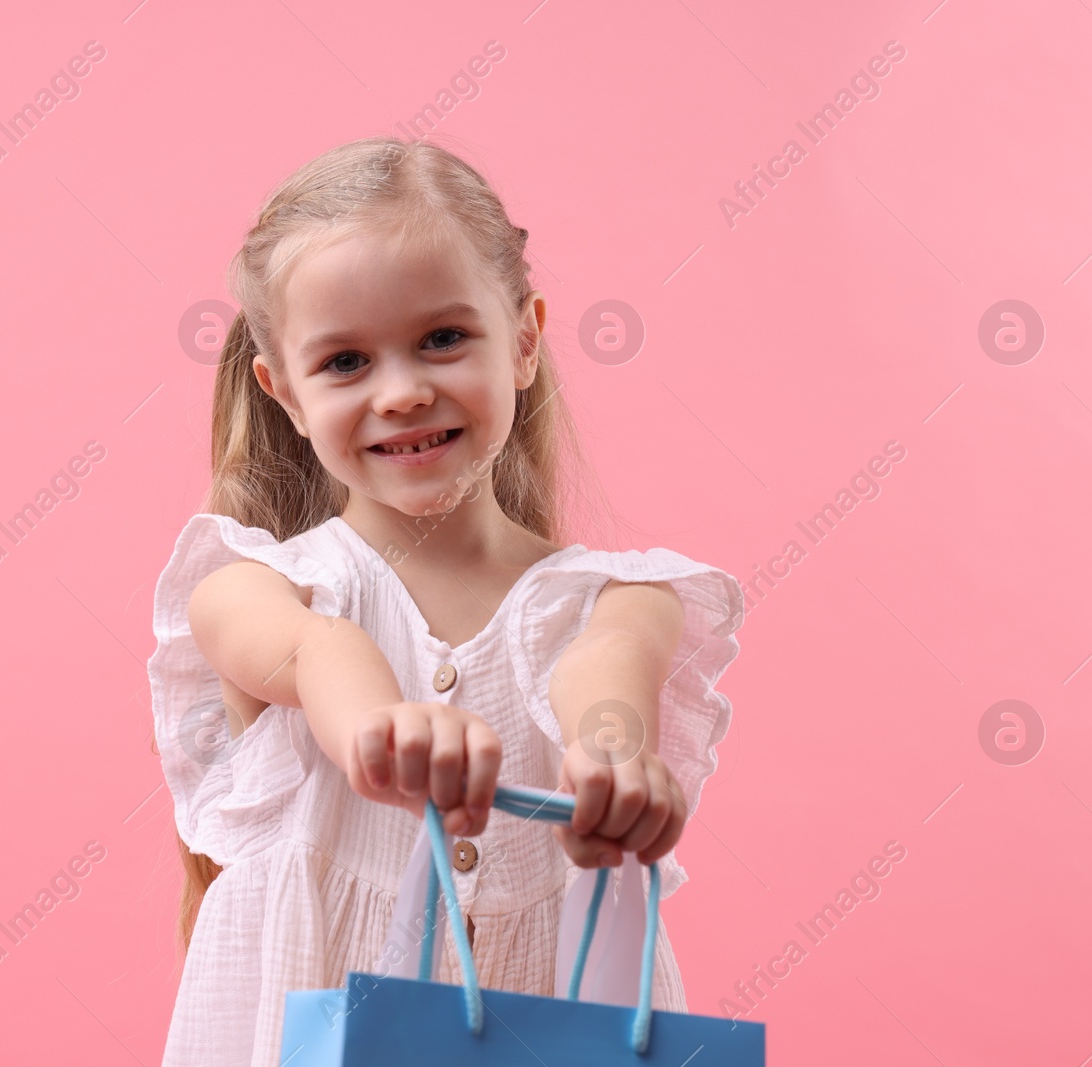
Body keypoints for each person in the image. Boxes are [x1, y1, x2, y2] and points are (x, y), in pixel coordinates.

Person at [147, 135, 745, 1066]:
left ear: (526, 339)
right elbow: (315, 651)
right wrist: (386, 726)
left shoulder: (618, 600)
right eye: (345, 362)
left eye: (441, 338)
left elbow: (607, 680)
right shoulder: (253, 588)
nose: (403, 391)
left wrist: (615, 762)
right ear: (286, 395)